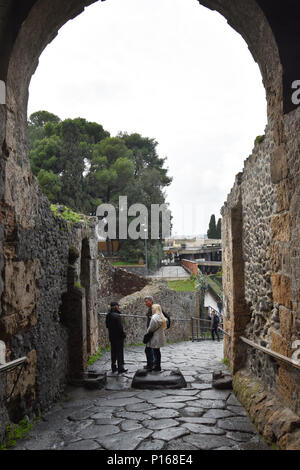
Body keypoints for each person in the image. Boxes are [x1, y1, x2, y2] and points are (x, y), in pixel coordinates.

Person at [105, 301, 128, 374]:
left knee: (113, 352)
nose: (119, 307)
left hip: (112, 336)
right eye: (118, 306)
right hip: (118, 337)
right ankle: (120, 368)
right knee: (119, 352)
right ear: (116, 307)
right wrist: (123, 334)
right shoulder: (117, 316)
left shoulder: (108, 315)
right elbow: (120, 327)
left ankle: (113, 367)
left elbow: (107, 326)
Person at [145, 303, 167, 372]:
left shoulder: (154, 317)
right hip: (159, 337)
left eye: (152, 308)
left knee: (154, 351)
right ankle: (158, 365)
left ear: (155, 309)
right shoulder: (161, 317)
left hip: (154, 337)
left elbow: (151, 328)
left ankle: (156, 366)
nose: (151, 310)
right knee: (157, 352)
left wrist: (147, 331)